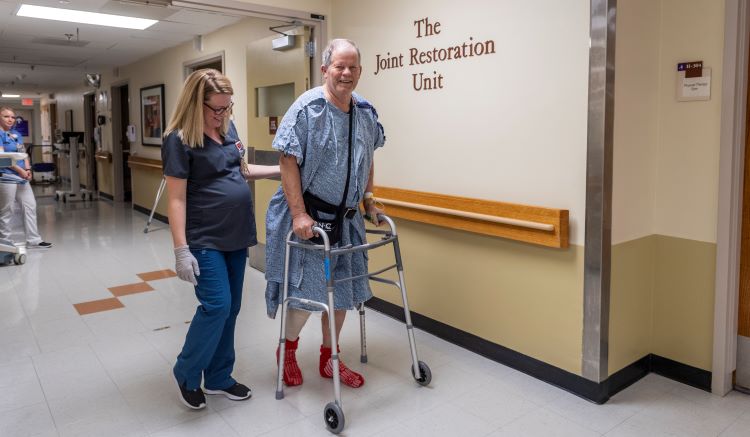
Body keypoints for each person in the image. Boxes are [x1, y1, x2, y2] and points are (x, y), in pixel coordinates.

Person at [265, 39, 385, 389]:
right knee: (307, 293)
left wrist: (369, 199)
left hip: (347, 220)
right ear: (325, 70)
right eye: (339, 67)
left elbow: (368, 157)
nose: (346, 73)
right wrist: (299, 214)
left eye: (353, 67)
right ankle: (287, 351)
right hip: (311, 217)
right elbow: (287, 159)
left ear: (360, 71)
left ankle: (329, 358)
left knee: (343, 292)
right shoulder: (307, 110)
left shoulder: (365, 112)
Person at [162, 69, 280, 410]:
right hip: (204, 237)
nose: (222, 115)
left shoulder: (229, 130)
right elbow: (177, 199)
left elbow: (242, 170)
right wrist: (181, 249)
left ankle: (218, 377)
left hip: (236, 234)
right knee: (217, 306)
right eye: (216, 109)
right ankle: (186, 372)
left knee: (233, 309)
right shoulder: (179, 139)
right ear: (195, 104)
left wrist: (280, 169)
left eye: (227, 108)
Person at [0, 106, 52, 249]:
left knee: (29, 206)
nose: (10, 119)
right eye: (6, 116)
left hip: (22, 177)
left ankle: (34, 240)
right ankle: (5, 244)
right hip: (6, 176)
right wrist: (20, 170)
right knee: (7, 210)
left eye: (12, 116)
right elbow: (2, 158)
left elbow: (23, 154)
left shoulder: (16, 134)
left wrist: (27, 169)